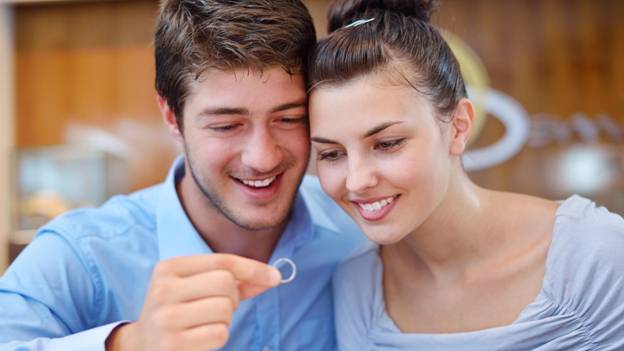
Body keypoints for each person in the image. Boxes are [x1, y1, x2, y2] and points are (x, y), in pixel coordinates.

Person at [0, 1, 364, 350]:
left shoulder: (360, 230)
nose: (263, 158)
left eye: (289, 119)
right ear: (171, 116)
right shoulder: (79, 256)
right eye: (226, 125)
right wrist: (130, 345)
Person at [307, 0, 624, 350]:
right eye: (331, 154)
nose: (355, 181)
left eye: (387, 143)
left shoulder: (597, 258)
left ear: (459, 127)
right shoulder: (355, 285)